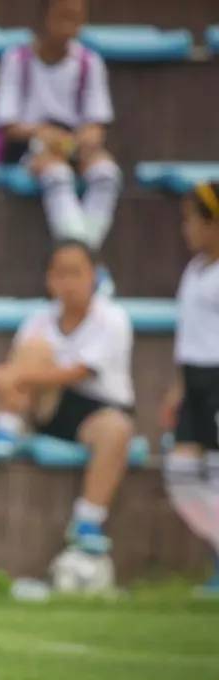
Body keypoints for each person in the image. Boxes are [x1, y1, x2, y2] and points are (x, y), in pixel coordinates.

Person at [0, 240, 134, 555]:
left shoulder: (114, 319)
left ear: (94, 275)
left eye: (76, 273)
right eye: (59, 273)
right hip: (47, 407)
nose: (67, 283)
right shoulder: (38, 319)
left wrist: (14, 377)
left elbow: (80, 372)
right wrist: (10, 380)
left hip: (96, 412)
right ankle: (7, 425)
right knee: (35, 349)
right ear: (49, 279)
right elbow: (20, 368)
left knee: (117, 430)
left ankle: (88, 520)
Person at [0, 0, 120, 264]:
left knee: (107, 174)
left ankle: (83, 257)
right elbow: (7, 124)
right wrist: (44, 134)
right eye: (63, 16)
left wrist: (84, 139)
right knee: (57, 173)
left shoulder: (89, 62)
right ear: (44, 16)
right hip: (29, 146)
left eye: (76, 18)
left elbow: (97, 125)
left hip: (75, 145)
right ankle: (82, 261)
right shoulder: (17, 59)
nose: (69, 26)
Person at [162, 182, 219, 594]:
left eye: (192, 220)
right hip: (195, 383)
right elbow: (190, 335)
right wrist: (178, 388)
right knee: (181, 475)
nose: (187, 230)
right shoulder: (194, 270)